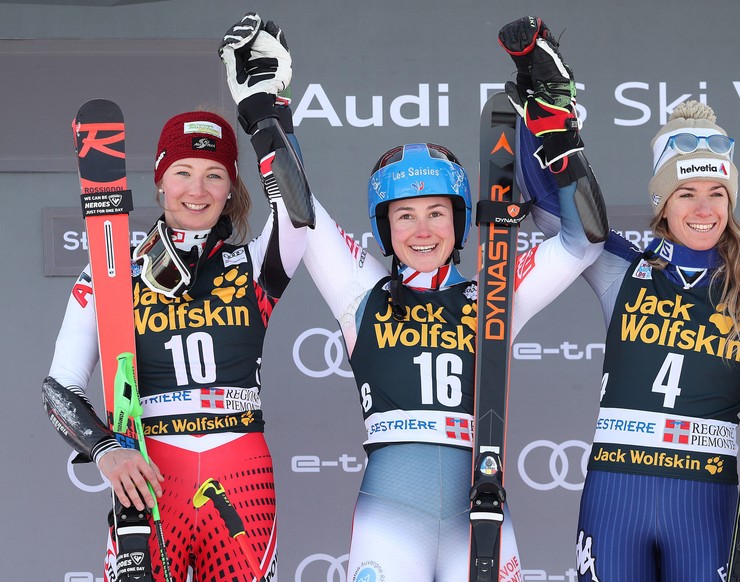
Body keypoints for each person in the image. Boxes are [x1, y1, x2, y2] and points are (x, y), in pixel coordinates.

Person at [214, 12, 607, 581]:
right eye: (405, 215)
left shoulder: (495, 291)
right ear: (384, 225)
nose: (422, 230)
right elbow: (301, 214)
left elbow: (583, 242)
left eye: (436, 214)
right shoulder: (362, 289)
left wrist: (557, 129)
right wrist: (265, 112)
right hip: (390, 521)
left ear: (460, 220)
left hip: (483, 517)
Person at [499, 16, 740, 582]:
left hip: (705, 507)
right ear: (663, 201)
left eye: (716, 194)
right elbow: (554, 208)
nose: (704, 210)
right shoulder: (622, 268)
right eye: (686, 193)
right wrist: (543, 103)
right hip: (615, 500)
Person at [41, 14, 313, 581]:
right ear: (160, 181)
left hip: (241, 474)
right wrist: (105, 450)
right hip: (149, 472)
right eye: (183, 172)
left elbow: (297, 212)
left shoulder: (255, 264)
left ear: (233, 187)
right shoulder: (111, 271)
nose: (197, 189)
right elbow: (59, 388)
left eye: (215, 176)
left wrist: (265, 111)